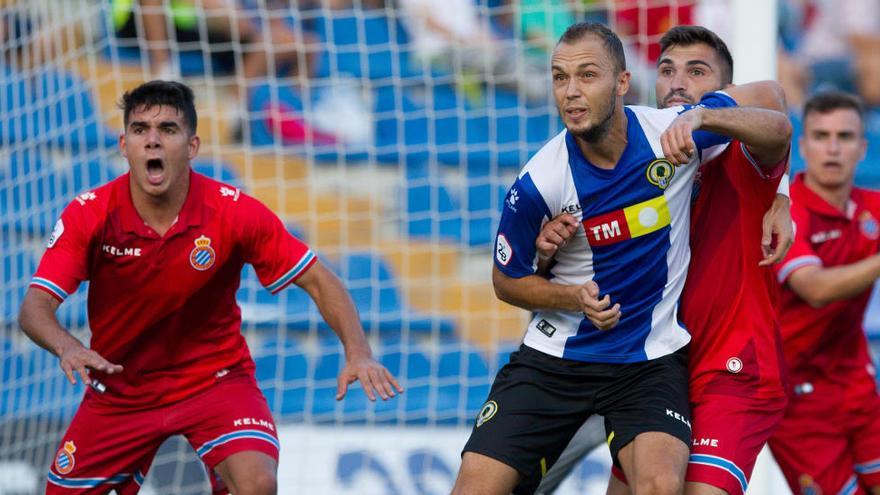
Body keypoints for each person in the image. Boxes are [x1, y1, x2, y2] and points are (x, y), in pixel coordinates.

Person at [450, 21, 787, 495]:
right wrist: (570, 296)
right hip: (555, 361)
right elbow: (506, 282)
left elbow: (775, 117)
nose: (570, 92)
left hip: (647, 362)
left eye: (587, 75)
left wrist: (780, 188)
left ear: (623, 83)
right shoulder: (539, 182)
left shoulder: (673, 136)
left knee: (657, 486)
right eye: (559, 78)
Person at [17, 80, 402, 495]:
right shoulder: (89, 214)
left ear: (193, 145)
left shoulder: (234, 212)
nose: (152, 141)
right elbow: (34, 308)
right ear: (123, 144)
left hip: (214, 381)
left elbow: (321, 280)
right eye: (140, 129)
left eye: (167, 129)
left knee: (257, 483)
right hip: (120, 390)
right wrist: (68, 346)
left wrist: (358, 352)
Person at [768, 90, 880, 495]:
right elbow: (814, 289)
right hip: (797, 397)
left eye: (845, 137)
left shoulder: (872, 206)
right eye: (821, 135)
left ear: (862, 148)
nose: (832, 148)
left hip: (856, 383)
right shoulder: (784, 212)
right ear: (804, 144)